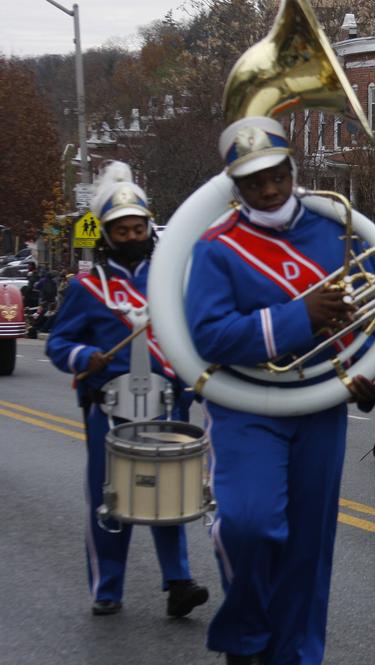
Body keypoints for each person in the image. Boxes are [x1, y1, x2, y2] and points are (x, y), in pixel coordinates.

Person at [187, 116, 375, 665]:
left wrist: (372, 378)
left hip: (319, 403)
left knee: (307, 549)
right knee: (248, 524)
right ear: (235, 186)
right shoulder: (216, 248)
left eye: (276, 175)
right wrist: (298, 316)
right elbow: (208, 335)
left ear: (291, 168)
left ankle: (294, 656)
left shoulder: (332, 231)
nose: (269, 190)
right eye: (254, 182)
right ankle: (246, 634)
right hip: (245, 405)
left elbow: (366, 323)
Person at [45, 161, 208, 617]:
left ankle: (178, 581)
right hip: (109, 408)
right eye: (123, 231)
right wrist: (83, 358)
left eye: (139, 228)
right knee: (109, 497)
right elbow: (59, 342)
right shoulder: (87, 288)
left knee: (168, 492)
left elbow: (190, 341)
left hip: (164, 405)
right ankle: (107, 588)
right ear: (106, 235)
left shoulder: (168, 283)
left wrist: (188, 388)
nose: (133, 237)